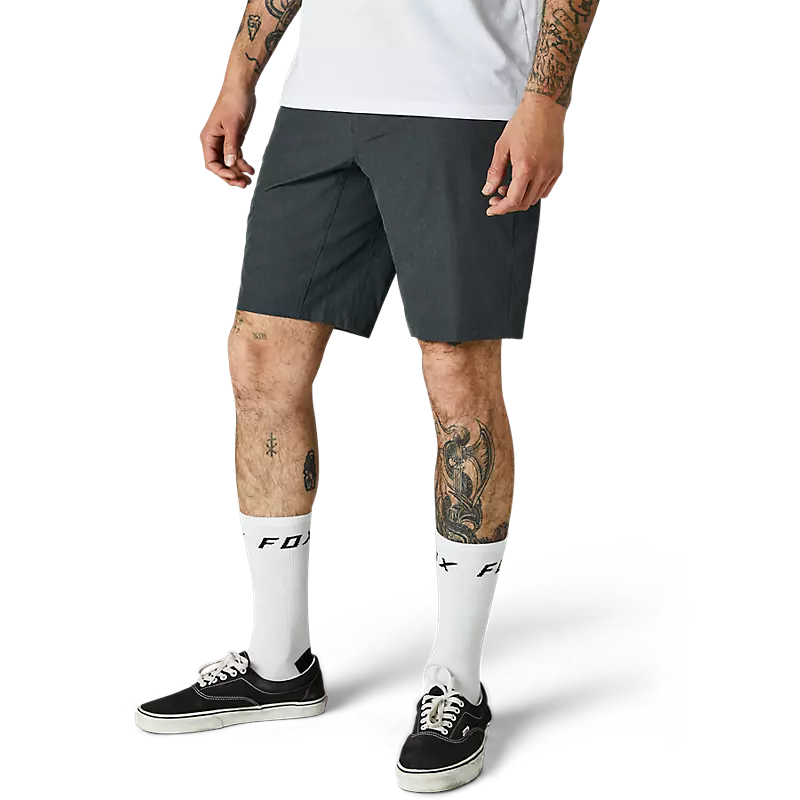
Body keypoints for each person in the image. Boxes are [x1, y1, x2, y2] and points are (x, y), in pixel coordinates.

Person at [133, 0, 599, 792]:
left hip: (464, 101)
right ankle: (279, 664)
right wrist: (239, 76)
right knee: (260, 360)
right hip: (321, 100)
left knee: (456, 372)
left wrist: (547, 100)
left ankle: (456, 681)